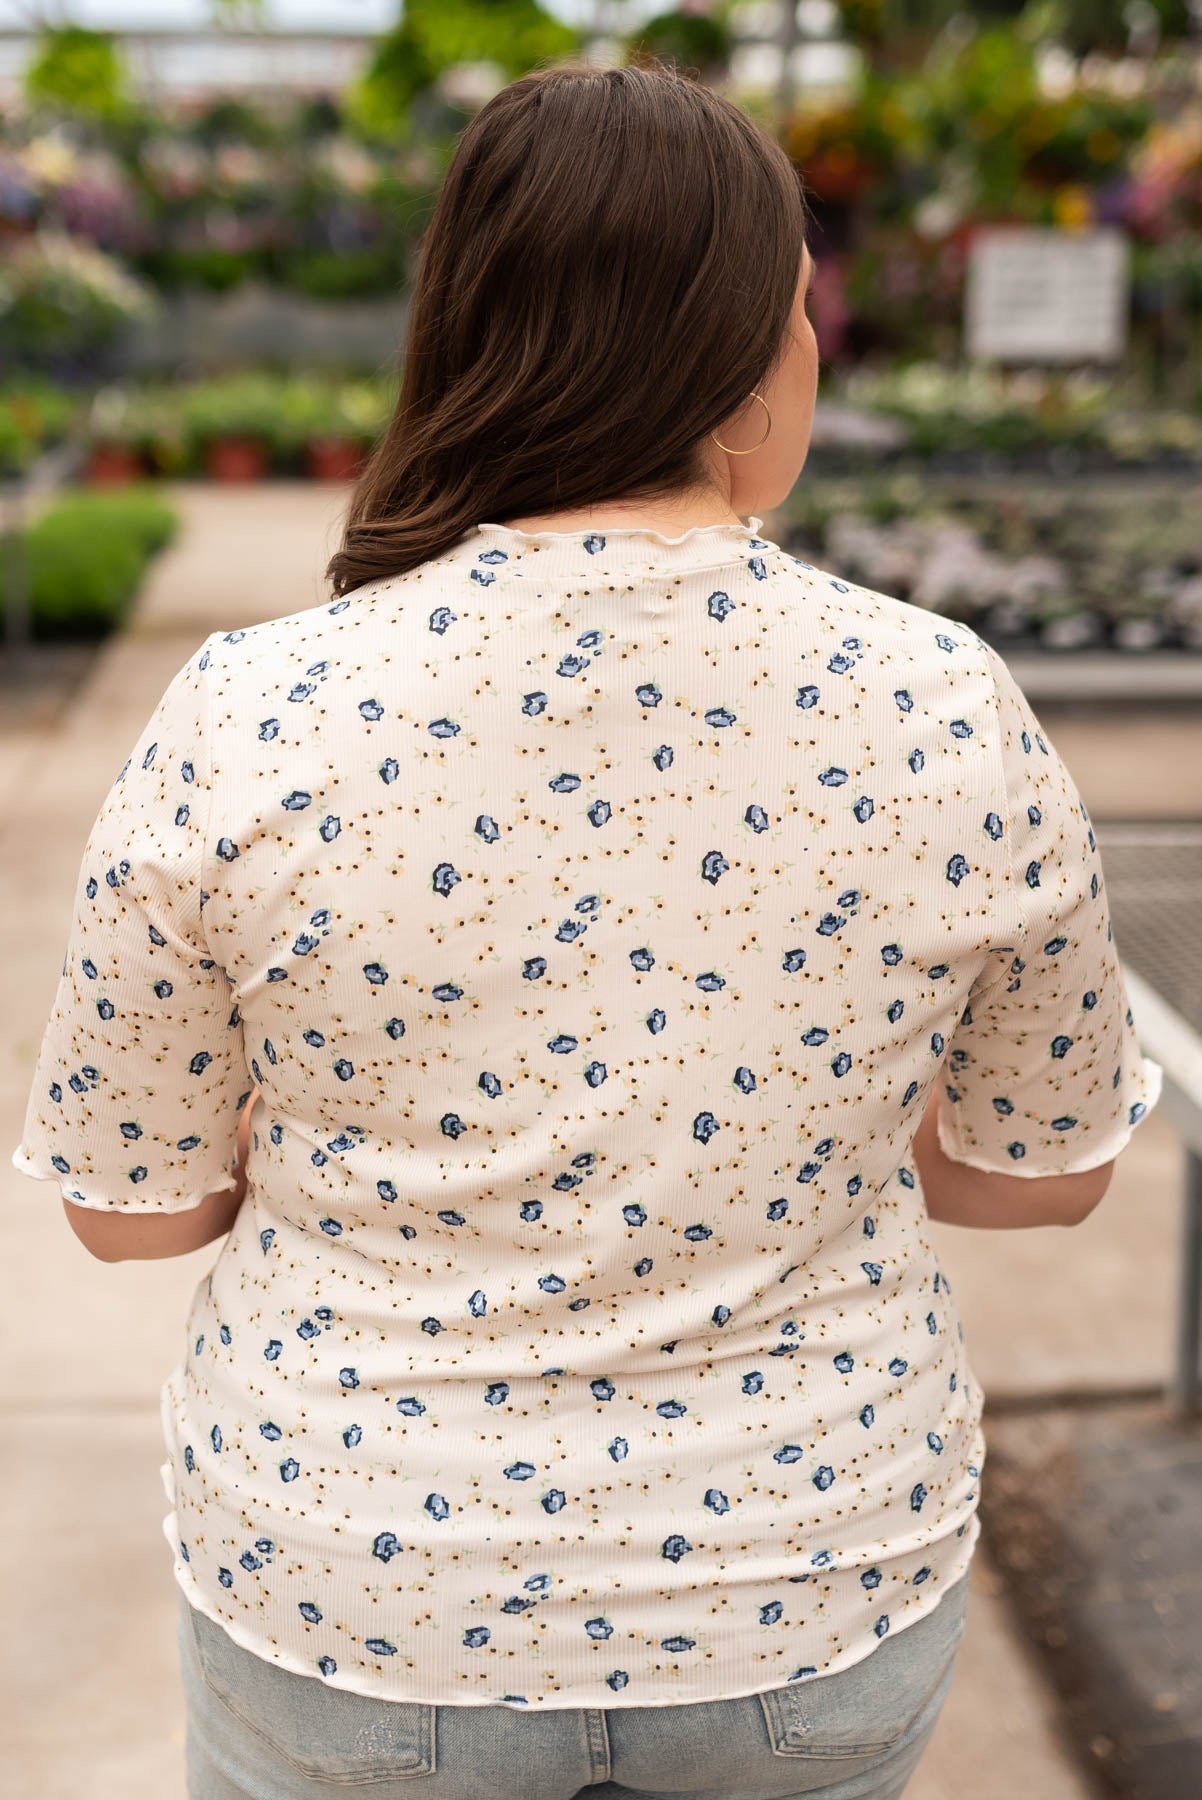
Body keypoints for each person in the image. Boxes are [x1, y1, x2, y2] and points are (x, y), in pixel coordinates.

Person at [12, 57, 1162, 1800]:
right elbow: (1045, 1171)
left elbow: (129, 1210)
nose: (812, 351)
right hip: (803, 1589)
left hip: (356, 1593)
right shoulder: (939, 702)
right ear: (721, 360)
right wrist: (804, 1131)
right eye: (795, 310)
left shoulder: (252, 709)